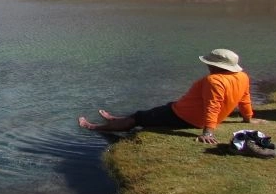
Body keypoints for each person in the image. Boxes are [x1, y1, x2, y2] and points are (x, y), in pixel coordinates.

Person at [78, 49, 265, 143]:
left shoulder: (214, 80)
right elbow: (245, 99)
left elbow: (213, 105)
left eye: (209, 63)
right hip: (184, 110)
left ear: (216, 66)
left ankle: (95, 127)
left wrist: (208, 132)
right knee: (145, 113)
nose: (207, 65)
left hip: (184, 117)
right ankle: (115, 119)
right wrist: (248, 119)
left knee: (139, 117)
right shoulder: (242, 76)